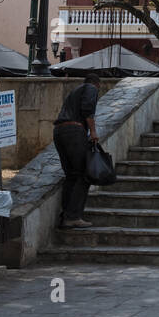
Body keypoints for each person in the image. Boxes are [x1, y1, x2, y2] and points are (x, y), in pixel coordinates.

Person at [53, 72, 102, 229]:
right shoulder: (91, 88)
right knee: (83, 174)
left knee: (71, 175)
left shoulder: (75, 92)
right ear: (97, 84)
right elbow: (87, 109)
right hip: (74, 131)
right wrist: (93, 132)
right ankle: (73, 216)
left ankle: (66, 215)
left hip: (59, 131)